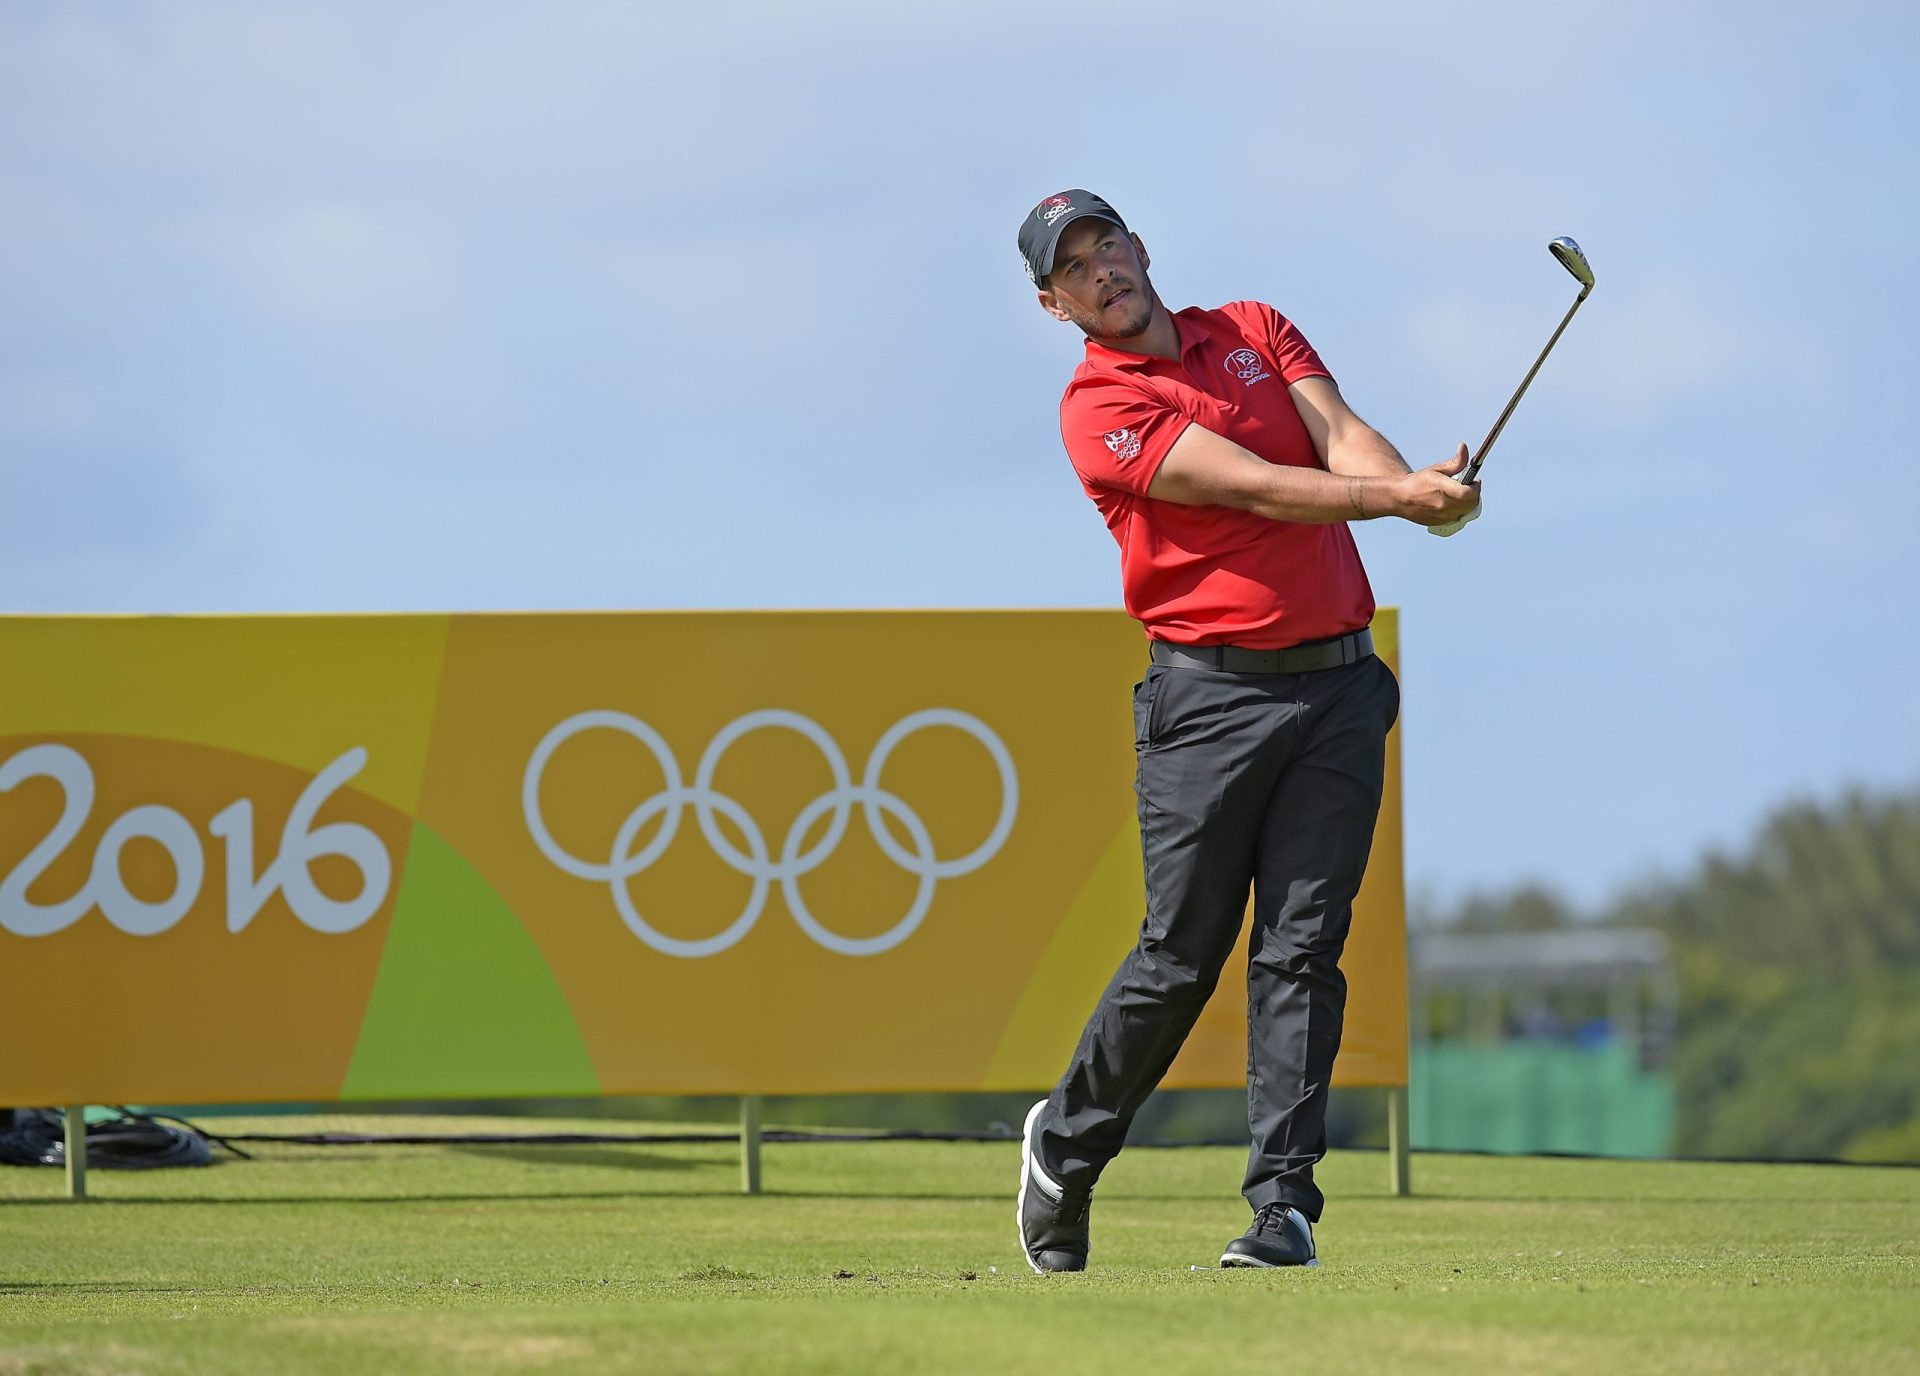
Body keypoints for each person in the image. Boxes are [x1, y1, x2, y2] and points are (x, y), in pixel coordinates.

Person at [1013, 189, 1479, 1272]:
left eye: (1108, 244)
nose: (1102, 270)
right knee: (1180, 957)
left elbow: (1341, 437)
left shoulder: (1258, 330)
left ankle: (1284, 1208)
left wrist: (1420, 485)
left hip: (1338, 688)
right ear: (1055, 303)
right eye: (1074, 267)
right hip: (1208, 704)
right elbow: (1262, 487)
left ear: (1139, 246)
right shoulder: (1097, 409)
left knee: (1303, 950)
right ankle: (1065, 1152)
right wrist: (1397, 501)